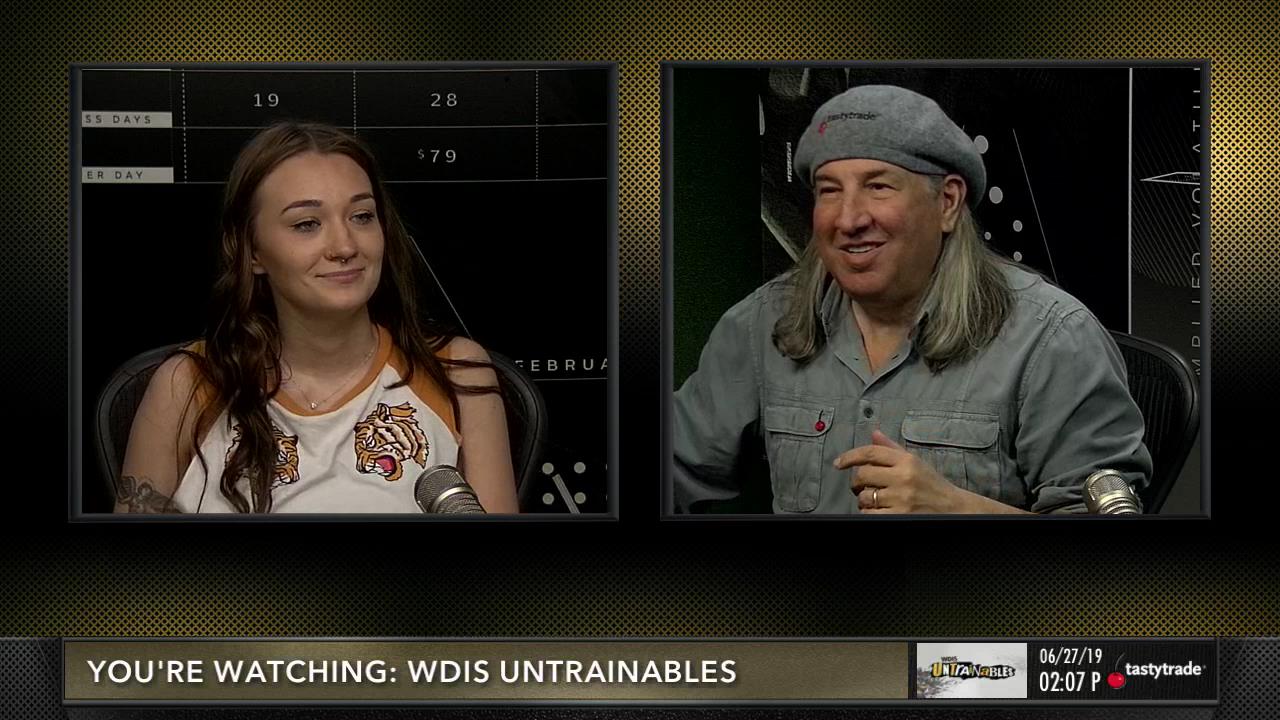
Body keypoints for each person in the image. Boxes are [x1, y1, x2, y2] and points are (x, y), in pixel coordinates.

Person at [673, 85, 1152, 514]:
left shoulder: (1052, 337)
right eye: (829, 191)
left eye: (878, 186)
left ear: (947, 203)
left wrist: (957, 509)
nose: (849, 219)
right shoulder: (763, 322)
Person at [115, 122, 519, 514]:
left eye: (362, 216)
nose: (344, 246)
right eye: (307, 224)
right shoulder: (187, 384)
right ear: (251, 251)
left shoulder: (455, 370)